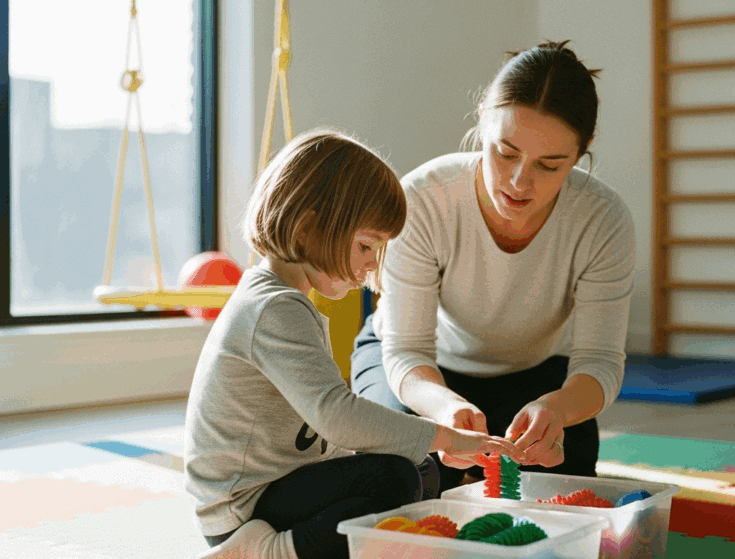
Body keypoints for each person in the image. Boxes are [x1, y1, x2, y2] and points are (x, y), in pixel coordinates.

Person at [184, 128, 523, 559]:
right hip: (243, 512)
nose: (370, 264)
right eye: (365, 245)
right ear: (307, 229)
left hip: (280, 485)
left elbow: (321, 434)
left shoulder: (284, 300)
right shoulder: (275, 308)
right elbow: (336, 417)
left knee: (419, 469)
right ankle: (270, 553)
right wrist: (445, 437)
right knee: (393, 478)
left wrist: (430, 446)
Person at [351, 40, 636, 494]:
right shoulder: (425, 199)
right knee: (403, 474)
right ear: (482, 117)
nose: (521, 182)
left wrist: (558, 411)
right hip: (417, 369)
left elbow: (600, 362)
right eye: (505, 153)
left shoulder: (603, 220)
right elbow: (406, 350)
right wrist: (444, 412)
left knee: (569, 476)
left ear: (583, 152)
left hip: (533, 372)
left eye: (550, 164)